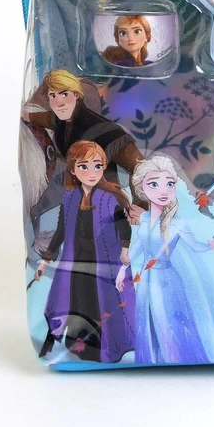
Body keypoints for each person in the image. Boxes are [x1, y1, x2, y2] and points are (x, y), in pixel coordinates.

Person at [125, 156, 214, 364]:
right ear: (141, 189)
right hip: (146, 280)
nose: (163, 191)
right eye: (154, 184)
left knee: (169, 319)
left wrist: (213, 245)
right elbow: (138, 248)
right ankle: (153, 360)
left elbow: (196, 246)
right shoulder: (145, 219)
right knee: (148, 319)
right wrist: (122, 268)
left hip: (167, 280)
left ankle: (175, 359)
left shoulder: (179, 223)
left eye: (169, 184)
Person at [34, 140, 135, 361]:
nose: (92, 173)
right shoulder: (69, 198)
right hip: (76, 261)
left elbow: (124, 227)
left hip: (105, 262)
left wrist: (124, 250)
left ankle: (106, 347)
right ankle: (80, 345)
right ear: (72, 169)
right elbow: (61, 231)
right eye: (84, 166)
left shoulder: (110, 199)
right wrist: (45, 261)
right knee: (79, 301)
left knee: (103, 302)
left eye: (98, 166)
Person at [21, 69, 146, 221]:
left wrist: (141, 205)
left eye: (64, 94)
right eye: (53, 96)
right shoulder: (58, 121)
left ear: (76, 94)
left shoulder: (107, 132)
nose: (59, 102)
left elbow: (140, 167)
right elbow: (31, 116)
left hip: (105, 206)